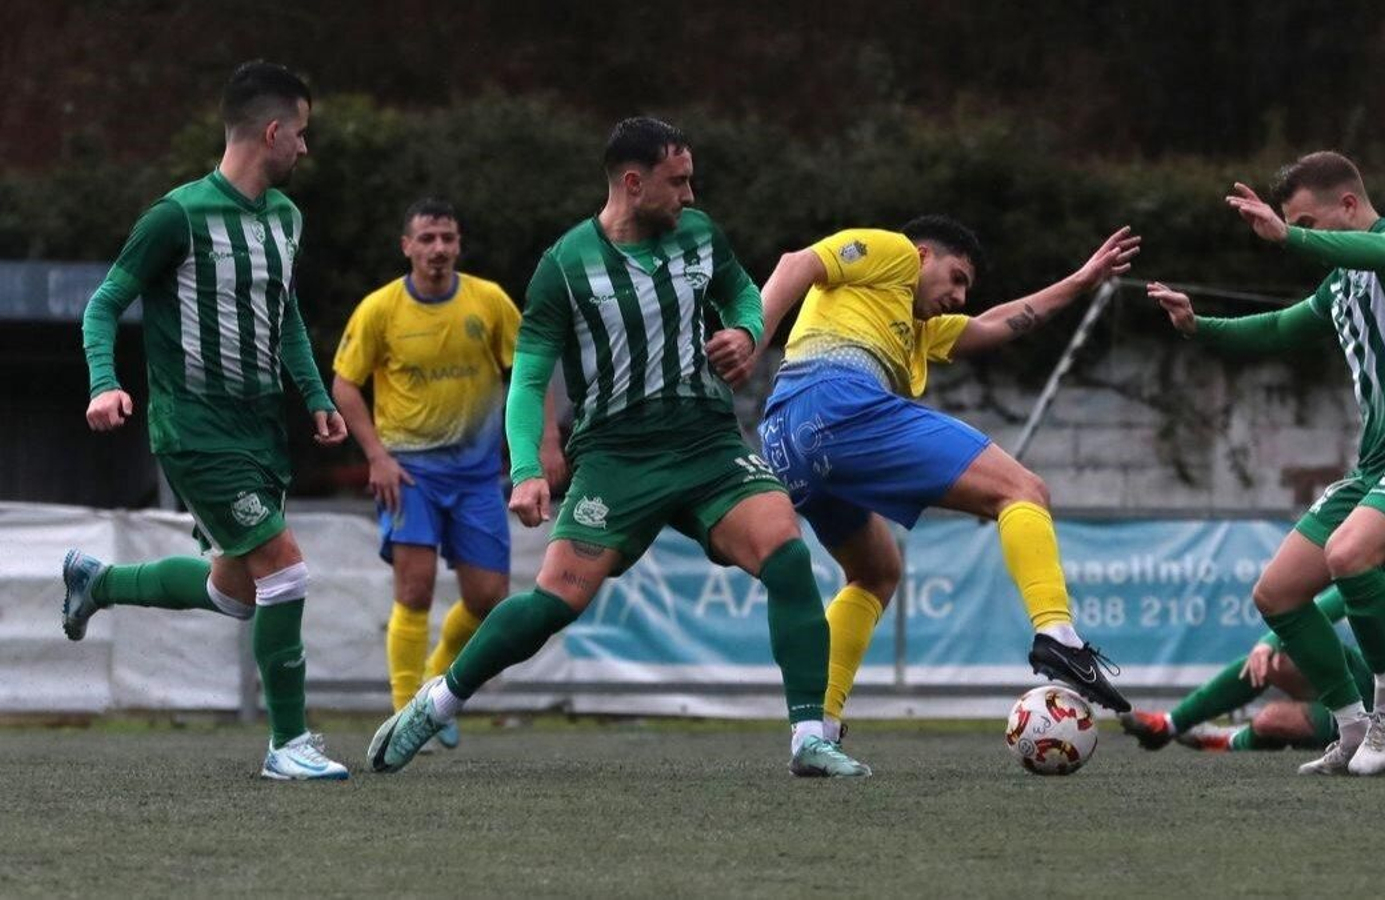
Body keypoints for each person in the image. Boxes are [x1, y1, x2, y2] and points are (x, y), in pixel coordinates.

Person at [368, 117, 871, 778]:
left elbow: (743, 293)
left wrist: (747, 333)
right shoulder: (566, 266)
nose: (691, 195)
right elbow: (529, 378)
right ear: (634, 184)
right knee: (553, 604)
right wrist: (525, 468)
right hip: (616, 460)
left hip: (708, 445)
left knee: (786, 554)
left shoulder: (700, 235)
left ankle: (809, 736)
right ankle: (437, 703)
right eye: (678, 181)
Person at [1147, 150, 1385, 775]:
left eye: (1309, 219)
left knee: (1350, 555)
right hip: (1379, 465)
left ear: (1349, 206)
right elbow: (1279, 328)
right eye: (1293, 223)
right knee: (1276, 594)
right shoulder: (1340, 282)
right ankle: (1353, 722)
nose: (1300, 232)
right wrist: (1200, 326)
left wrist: (1290, 236)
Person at [740, 216, 1141, 742]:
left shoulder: (913, 331)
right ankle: (1057, 634)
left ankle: (816, 728)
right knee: (1023, 490)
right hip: (835, 403)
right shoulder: (895, 253)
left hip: (785, 438)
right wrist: (753, 337)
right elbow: (797, 263)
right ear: (924, 256)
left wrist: (1080, 281)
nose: (958, 295)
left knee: (876, 572)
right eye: (956, 278)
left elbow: (996, 325)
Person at [62, 61, 349, 780]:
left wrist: (316, 396)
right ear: (274, 132)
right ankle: (288, 743)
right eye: (302, 135)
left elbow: (282, 318)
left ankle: (100, 582)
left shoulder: (285, 218)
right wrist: (104, 383)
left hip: (260, 432)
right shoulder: (177, 215)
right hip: (194, 431)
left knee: (237, 590)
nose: (305, 151)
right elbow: (103, 303)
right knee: (287, 571)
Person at [331, 198, 522, 753]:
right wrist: (376, 456)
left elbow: (528, 368)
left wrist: (540, 444)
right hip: (408, 471)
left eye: (448, 238)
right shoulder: (380, 309)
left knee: (490, 599)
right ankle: (403, 715)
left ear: (459, 245)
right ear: (407, 246)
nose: (438, 248)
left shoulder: (489, 302)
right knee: (413, 590)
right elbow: (345, 383)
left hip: (477, 474)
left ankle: (435, 685)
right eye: (428, 238)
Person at [1120, 543, 1385, 754]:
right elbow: (1322, 608)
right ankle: (1169, 724)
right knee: (1271, 661)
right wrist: (1268, 642)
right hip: (1361, 677)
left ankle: (1227, 741)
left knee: (1269, 720)